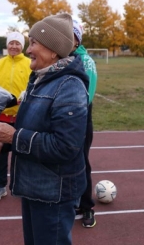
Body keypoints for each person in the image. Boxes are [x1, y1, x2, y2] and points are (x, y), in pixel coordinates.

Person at [0, 13, 89, 245]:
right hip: (35, 187)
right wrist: (6, 137)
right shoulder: (40, 78)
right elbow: (33, 124)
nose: (28, 49)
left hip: (53, 191)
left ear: (54, 50)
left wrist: (14, 136)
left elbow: (65, 146)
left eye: (33, 43)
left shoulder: (69, 86)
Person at [0, 32, 31, 201]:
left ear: (22, 46)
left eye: (17, 43)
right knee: (0, 154)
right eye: (11, 43)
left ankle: (22, 186)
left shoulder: (30, 64)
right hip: (2, 117)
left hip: (23, 117)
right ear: (7, 45)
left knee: (23, 154)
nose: (13, 46)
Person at [72, 19, 98, 228]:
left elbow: (85, 97)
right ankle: (75, 202)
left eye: (70, 35)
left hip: (79, 119)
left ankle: (87, 206)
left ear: (77, 38)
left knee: (81, 163)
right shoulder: (62, 57)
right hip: (65, 119)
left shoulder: (85, 60)